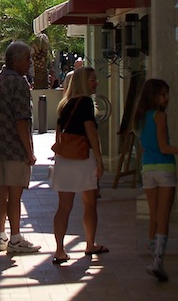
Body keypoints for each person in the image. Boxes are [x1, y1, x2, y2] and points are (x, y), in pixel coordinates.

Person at [132, 79, 178, 281]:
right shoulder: (159, 116)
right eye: (163, 94)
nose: (167, 98)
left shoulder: (139, 118)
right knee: (164, 215)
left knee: (154, 214)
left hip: (147, 169)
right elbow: (165, 148)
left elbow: (144, 144)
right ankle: (158, 261)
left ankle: (153, 255)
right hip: (164, 168)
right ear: (154, 96)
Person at [0, 41, 41, 253]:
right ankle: (15, 238)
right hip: (15, 148)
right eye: (27, 58)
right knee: (15, 195)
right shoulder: (19, 83)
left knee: (2, 191)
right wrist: (29, 151)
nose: (30, 63)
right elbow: (22, 120)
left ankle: (1, 235)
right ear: (16, 60)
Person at [51, 66, 108, 265]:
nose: (96, 82)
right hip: (83, 157)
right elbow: (90, 131)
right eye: (93, 79)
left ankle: (59, 250)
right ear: (84, 82)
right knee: (89, 203)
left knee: (64, 206)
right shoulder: (85, 102)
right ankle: (90, 243)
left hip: (65, 158)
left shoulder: (65, 104)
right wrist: (100, 159)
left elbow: (59, 132)